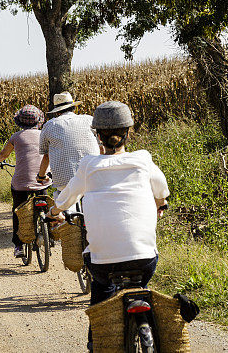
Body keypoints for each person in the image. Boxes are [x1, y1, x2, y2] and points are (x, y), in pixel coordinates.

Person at [46, 101, 169, 350]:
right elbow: (162, 192)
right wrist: (160, 204)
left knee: (102, 292)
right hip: (144, 260)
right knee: (140, 285)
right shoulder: (143, 160)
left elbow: (66, 198)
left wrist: (53, 212)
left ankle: (96, 343)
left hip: (104, 263)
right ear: (128, 131)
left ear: (97, 134)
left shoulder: (88, 166)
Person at [0, 105, 49, 257]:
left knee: (17, 211)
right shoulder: (44, 135)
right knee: (46, 203)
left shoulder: (16, 137)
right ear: (39, 121)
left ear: (20, 121)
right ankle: (49, 234)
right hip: (43, 179)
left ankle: (18, 246)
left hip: (21, 182)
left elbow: (4, 154)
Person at [37, 92, 100, 209]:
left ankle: (66, 219)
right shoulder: (89, 120)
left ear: (57, 111)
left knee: (62, 199)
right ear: (74, 107)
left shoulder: (49, 125)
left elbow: (46, 156)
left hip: (65, 181)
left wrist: (41, 176)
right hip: (92, 175)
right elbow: (101, 145)